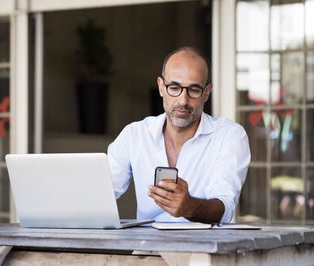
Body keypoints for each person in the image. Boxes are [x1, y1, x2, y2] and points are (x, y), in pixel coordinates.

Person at [107, 47, 251, 224]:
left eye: (194, 89)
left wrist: (190, 207)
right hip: (147, 249)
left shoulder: (229, 136)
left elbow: (225, 206)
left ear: (207, 92)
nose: (183, 101)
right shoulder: (134, 135)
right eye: (174, 88)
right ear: (161, 87)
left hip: (204, 249)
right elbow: (100, 194)